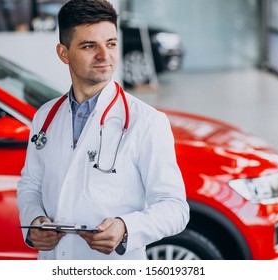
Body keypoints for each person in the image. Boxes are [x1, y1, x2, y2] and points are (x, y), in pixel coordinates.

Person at [17, 0, 189, 260]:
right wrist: (34, 222)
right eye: (89, 46)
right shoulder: (45, 117)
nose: (104, 55)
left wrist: (126, 228)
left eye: (111, 44)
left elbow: (175, 208)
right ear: (63, 53)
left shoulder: (147, 121)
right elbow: (30, 185)